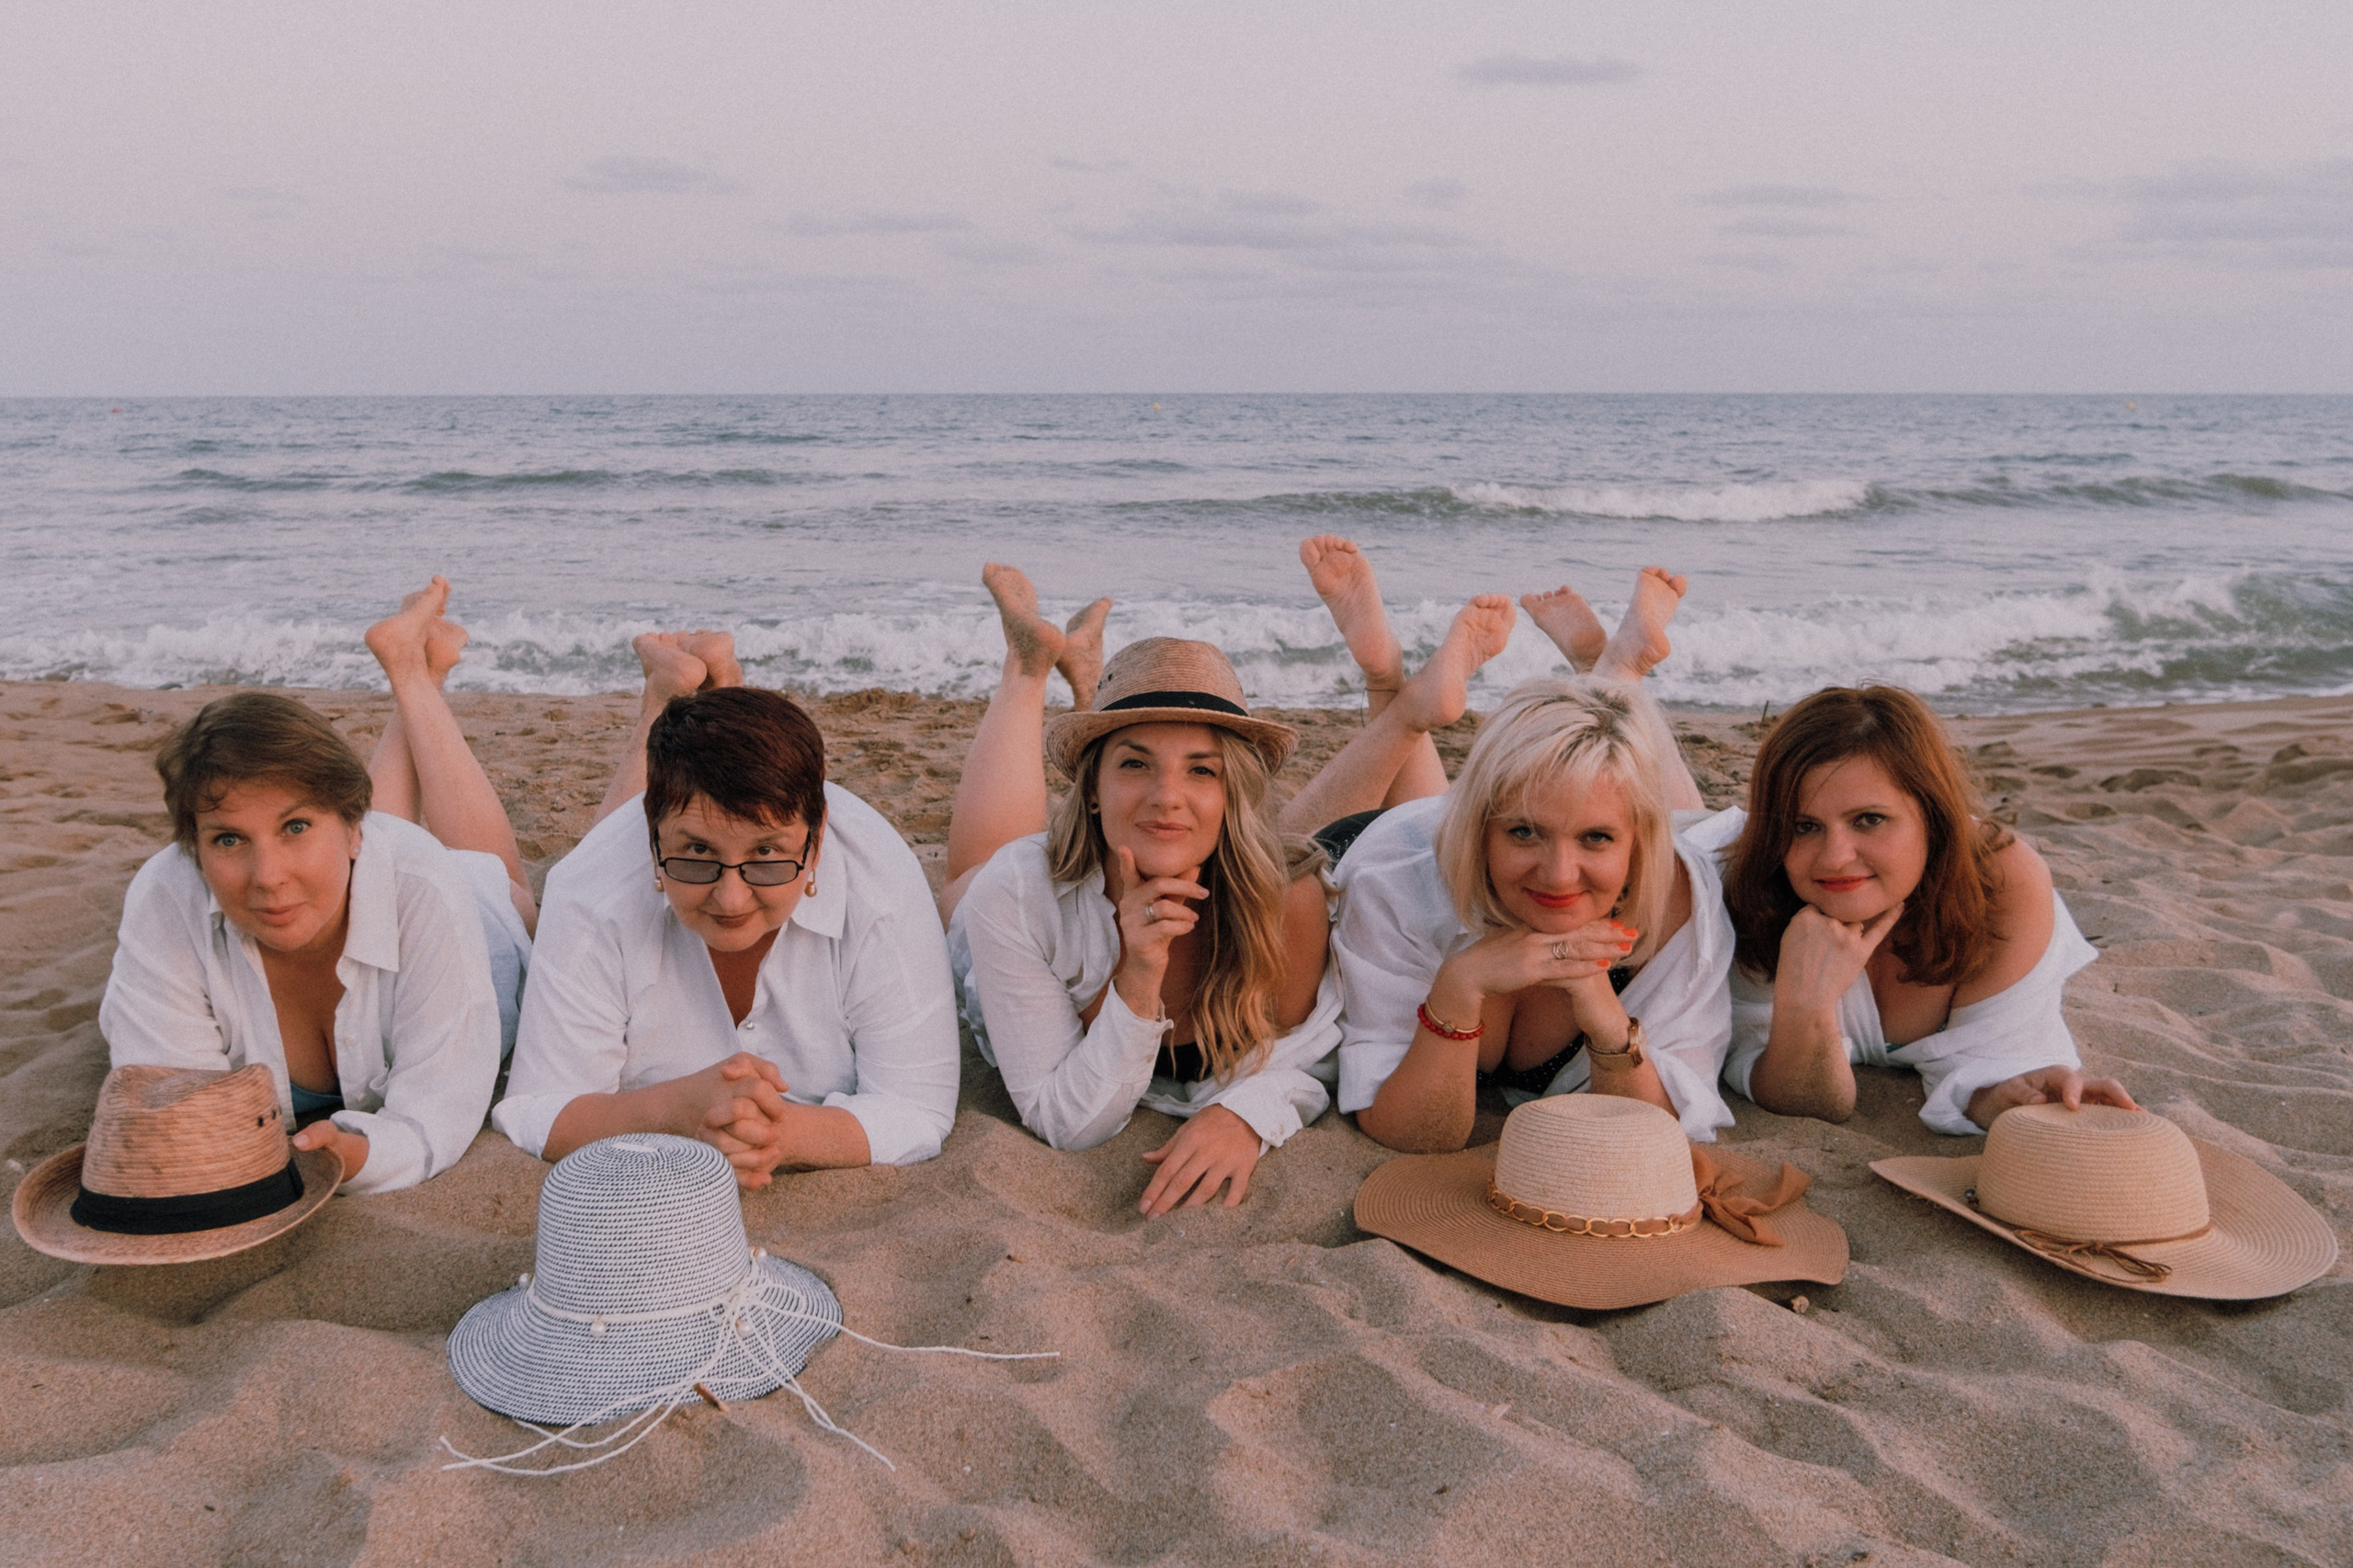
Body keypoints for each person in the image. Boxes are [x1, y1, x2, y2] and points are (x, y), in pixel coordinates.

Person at [940, 555, 1515, 1217]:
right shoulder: (1021, 893)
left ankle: (1102, 695)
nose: (1168, 797)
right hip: (1017, 899)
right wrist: (1138, 974)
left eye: (1203, 771)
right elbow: (1068, 1123)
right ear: (1090, 792)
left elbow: (1320, 1051)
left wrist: (1246, 1114)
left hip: (1245, 862)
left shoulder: (1291, 900)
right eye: (1133, 764)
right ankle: (1029, 667)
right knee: (967, 880)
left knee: (1265, 863)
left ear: (1232, 789)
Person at [97, 577, 533, 1193]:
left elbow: (437, 1115)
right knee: (360, 846)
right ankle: (415, 673)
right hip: (367, 858)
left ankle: (414, 674)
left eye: (294, 826)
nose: (267, 878)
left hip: (453, 901)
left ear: (357, 830)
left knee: (502, 880)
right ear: (194, 846)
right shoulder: (164, 894)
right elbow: (176, 1107)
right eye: (227, 840)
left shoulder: (424, 884)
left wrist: (357, 1156)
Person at [493, 642, 959, 1188]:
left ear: (818, 837)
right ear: (652, 836)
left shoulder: (881, 885)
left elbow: (919, 1108)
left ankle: (699, 689)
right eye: (696, 855)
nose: (732, 900)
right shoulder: (588, 888)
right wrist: (682, 1110)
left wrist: (783, 1134)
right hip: (616, 859)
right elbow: (539, 1109)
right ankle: (666, 699)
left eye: (766, 854)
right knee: (603, 856)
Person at [1333, 567, 1745, 1153]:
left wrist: (1605, 1018)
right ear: (1482, 831)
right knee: (1293, 847)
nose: (1558, 875)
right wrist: (1458, 985)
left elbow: (1656, 1137)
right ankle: (1391, 687)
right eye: (1524, 832)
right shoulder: (1394, 888)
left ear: (1640, 844)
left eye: (1597, 839)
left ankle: (1609, 669)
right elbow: (1410, 1130)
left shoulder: (1682, 905)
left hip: (1455, 829)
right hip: (1379, 839)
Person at [1719, 685, 2136, 1134]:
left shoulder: (2001, 883)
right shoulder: (1751, 885)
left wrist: (2002, 1097)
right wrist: (1808, 1007)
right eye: (1804, 826)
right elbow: (1810, 1101)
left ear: (1934, 815)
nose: (1835, 857)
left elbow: (1995, 1065)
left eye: (1869, 819)